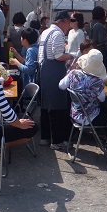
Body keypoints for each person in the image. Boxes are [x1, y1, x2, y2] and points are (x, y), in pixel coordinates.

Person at [59, 49, 107, 152]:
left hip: (74, 112)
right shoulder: (97, 82)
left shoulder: (73, 73)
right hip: (88, 117)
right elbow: (102, 99)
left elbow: (61, 86)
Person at [38, 10, 75, 149]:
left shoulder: (46, 32)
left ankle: (45, 137)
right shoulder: (58, 33)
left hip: (44, 71)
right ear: (62, 21)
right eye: (69, 23)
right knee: (57, 107)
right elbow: (59, 56)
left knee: (46, 106)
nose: (69, 26)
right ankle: (57, 141)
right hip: (54, 73)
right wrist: (72, 55)